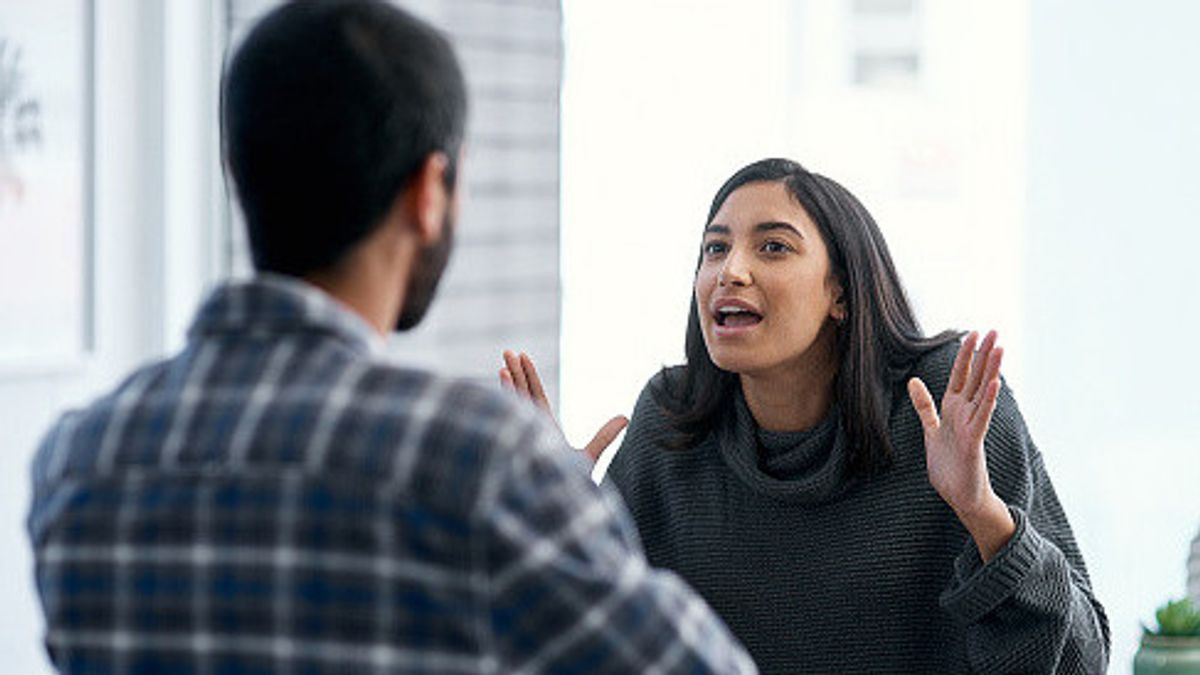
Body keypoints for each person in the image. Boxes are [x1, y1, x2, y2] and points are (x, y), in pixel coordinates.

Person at [25, 2, 758, 673]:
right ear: (428, 191)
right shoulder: (474, 458)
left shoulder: (75, 462)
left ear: (238, 171)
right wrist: (566, 498)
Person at [502, 158, 1110, 673]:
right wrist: (561, 530)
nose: (730, 271)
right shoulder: (672, 422)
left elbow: (1082, 660)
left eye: (772, 247)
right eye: (715, 248)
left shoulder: (946, 406)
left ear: (840, 292)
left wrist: (983, 515)